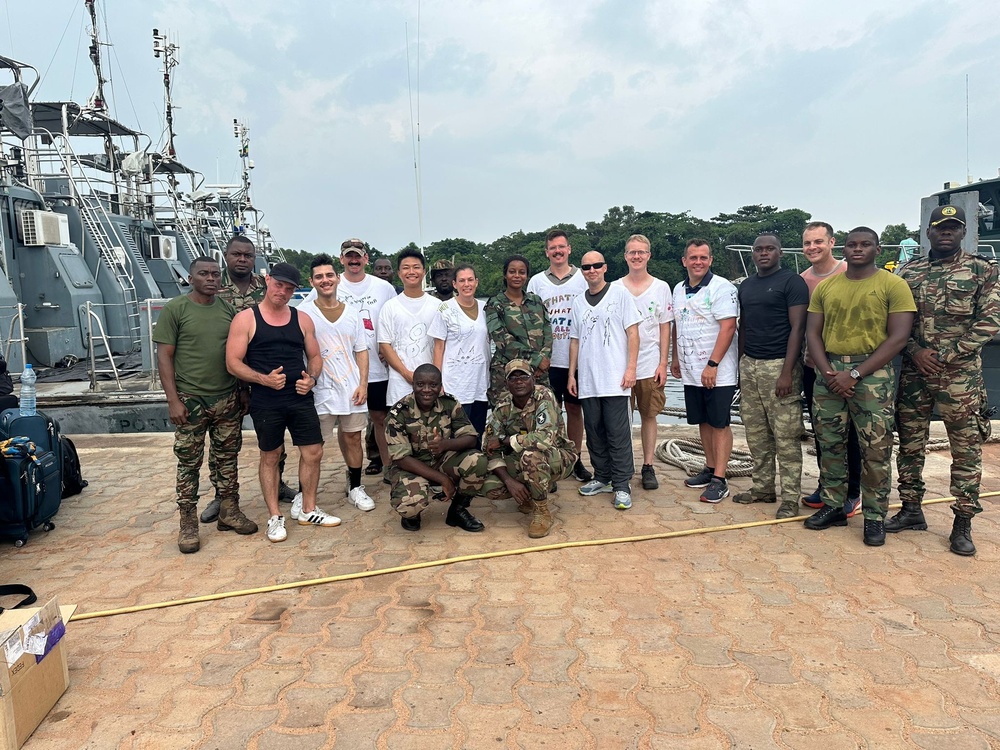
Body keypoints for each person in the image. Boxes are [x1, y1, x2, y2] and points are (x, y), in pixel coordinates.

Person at [892, 205, 1000, 555]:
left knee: (966, 448)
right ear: (928, 232)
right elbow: (892, 321)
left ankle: (963, 521)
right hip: (915, 371)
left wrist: (949, 354)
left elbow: (990, 319)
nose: (946, 233)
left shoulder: (983, 270)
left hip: (960, 377)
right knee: (909, 442)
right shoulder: (908, 273)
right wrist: (914, 351)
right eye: (939, 227)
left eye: (953, 228)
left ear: (963, 231)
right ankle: (910, 509)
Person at [803, 227, 916, 546]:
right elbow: (813, 333)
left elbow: (898, 337)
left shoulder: (893, 285)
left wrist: (853, 375)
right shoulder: (828, 287)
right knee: (830, 444)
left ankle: (875, 516)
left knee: (875, 449)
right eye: (852, 244)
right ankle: (834, 504)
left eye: (865, 244)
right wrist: (828, 372)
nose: (857, 249)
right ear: (844, 248)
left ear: (877, 249)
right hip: (829, 372)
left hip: (872, 373)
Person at [226, 262, 341, 543]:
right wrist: (263, 380)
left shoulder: (302, 319)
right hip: (266, 399)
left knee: (313, 452)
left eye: (289, 288)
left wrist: (311, 378)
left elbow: (315, 357)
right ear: (267, 281)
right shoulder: (246, 319)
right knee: (271, 456)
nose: (284, 291)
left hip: (299, 396)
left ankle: (308, 508)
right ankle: (275, 516)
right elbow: (232, 363)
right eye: (279, 285)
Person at [154, 256, 258, 553]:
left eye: (215, 274)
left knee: (228, 459)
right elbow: (165, 357)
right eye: (203, 274)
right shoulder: (176, 309)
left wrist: (243, 390)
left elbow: (237, 354)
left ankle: (229, 510)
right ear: (190, 278)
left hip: (227, 398)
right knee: (189, 463)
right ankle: (188, 522)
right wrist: (173, 400)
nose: (211, 278)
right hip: (191, 400)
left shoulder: (228, 310)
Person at [213, 235, 296, 516]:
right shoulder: (213, 284)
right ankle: (222, 496)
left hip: (265, 377)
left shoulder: (267, 286)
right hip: (227, 377)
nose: (242, 259)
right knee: (225, 442)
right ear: (226, 255)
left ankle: (279, 483)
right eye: (237, 254)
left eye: (248, 255)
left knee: (273, 438)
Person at [735, 234, 809, 519]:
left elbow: (798, 329)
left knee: (786, 436)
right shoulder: (747, 286)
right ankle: (763, 488)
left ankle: (790, 497)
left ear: (780, 252)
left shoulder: (792, 282)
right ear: (753, 254)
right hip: (750, 365)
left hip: (779, 364)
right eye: (758, 249)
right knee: (756, 433)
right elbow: (744, 327)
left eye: (770, 249)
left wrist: (787, 372)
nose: (764, 253)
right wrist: (742, 366)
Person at [298, 254, 376, 513]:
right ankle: (304, 495)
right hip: (319, 390)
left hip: (350, 387)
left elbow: (362, 351)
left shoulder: (352, 314)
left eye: (329, 275)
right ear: (312, 281)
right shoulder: (302, 313)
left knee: (353, 438)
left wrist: (363, 383)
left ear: (338, 278)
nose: (325, 280)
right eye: (319, 276)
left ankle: (354, 486)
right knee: (314, 445)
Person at [569, 251, 641, 509]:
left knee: (617, 433)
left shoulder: (620, 294)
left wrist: (631, 369)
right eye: (586, 266)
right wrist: (572, 374)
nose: (591, 270)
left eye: (596, 265)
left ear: (605, 267)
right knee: (595, 433)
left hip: (615, 380)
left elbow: (633, 333)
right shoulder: (578, 302)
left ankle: (622, 485)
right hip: (589, 380)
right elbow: (575, 340)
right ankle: (602, 477)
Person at [670, 239, 739, 503]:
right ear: (684, 261)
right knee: (703, 420)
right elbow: (678, 323)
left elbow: (728, 327)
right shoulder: (678, 289)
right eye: (693, 257)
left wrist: (713, 364)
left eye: (703, 257)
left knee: (720, 422)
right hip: (690, 369)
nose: (698, 262)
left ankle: (720, 479)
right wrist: (675, 358)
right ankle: (709, 468)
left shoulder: (722, 287)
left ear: (710, 260)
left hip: (717, 370)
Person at [800, 222, 862, 515]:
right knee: (823, 431)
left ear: (832, 242)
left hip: (848, 369)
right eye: (808, 243)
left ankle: (853, 491)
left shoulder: (848, 274)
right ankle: (828, 486)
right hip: (814, 367)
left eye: (818, 242)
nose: (813, 248)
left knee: (851, 433)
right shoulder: (802, 280)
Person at [384, 364, 488, 532]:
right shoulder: (399, 413)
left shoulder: (449, 403)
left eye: (433, 385)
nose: (426, 390)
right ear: (413, 385)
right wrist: (443, 479)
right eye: (420, 384)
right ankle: (413, 513)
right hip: (411, 468)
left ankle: (457, 510)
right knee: (410, 506)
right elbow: (401, 458)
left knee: (478, 460)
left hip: (441, 461)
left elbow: (470, 438)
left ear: (440, 386)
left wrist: (445, 445)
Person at [482, 360, 578, 538]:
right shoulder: (503, 406)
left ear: (533, 379)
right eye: (513, 378)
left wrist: (505, 440)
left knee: (531, 455)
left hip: (559, 456)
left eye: (523, 376)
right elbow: (489, 446)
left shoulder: (544, 396)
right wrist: (510, 482)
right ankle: (529, 494)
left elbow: (544, 439)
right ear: (507, 383)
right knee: (490, 487)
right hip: (523, 458)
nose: (519, 381)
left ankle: (541, 511)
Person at [527, 230, 593, 482]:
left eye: (561, 247)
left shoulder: (582, 278)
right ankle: (549, 460)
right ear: (546, 252)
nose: (557, 251)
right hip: (547, 361)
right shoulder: (537, 282)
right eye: (552, 248)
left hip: (575, 358)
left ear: (569, 249)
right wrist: (536, 358)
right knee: (547, 414)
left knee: (575, 410)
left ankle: (575, 458)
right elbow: (530, 321)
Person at [329, 239, 397, 479]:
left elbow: (393, 319)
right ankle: (352, 468)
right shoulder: (331, 283)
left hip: (378, 367)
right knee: (348, 423)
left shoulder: (383, 288)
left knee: (380, 418)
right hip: (345, 368)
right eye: (349, 256)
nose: (354, 260)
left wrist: (390, 346)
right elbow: (310, 314)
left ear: (366, 258)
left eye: (358, 256)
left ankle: (389, 466)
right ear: (341, 259)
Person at [614, 234, 673, 490]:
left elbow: (665, 327)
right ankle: (623, 465)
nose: (636, 256)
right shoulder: (615, 288)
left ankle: (648, 466)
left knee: (649, 415)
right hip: (620, 364)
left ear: (649, 255)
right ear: (625, 256)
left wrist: (664, 363)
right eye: (631, 252)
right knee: (621, 418)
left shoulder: (661, 287)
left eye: (641, 252)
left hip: (650, 364)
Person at [430, 263, 490, 437]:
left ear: (476, 282)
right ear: (454, 284)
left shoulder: (485, 308)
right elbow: (438, 347)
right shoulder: (445, 309)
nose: (467, 284)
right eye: (462, 281)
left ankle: (477, 463)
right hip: (455, 383)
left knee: (477, 431)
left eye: (470, 280)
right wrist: (437, 381)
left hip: (480, 382)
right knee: (456, 433)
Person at [378, 249, 442, 408]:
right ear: (399, 273)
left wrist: (434, 378)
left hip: (432, 387)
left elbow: (442, 345)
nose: (411, 272)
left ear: (424, 272)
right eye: (406, 268)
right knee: (399, 431)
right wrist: (406, 373)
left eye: (416, 267)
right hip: (399, 385)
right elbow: (385, 345)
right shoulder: (390, 307)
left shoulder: (438, 306)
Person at [485, 255, 552, 402]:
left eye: (522, 272)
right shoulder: (495, 304)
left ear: (527, 276)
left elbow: (547, 332)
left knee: (542, 416)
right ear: (505, 274)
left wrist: (542, 363)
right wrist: (536, 360)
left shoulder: (536, 301)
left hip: (539, 374)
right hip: (508, 374)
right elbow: (502, 340)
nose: (517, 276)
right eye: (512, 271)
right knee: (509, 420)